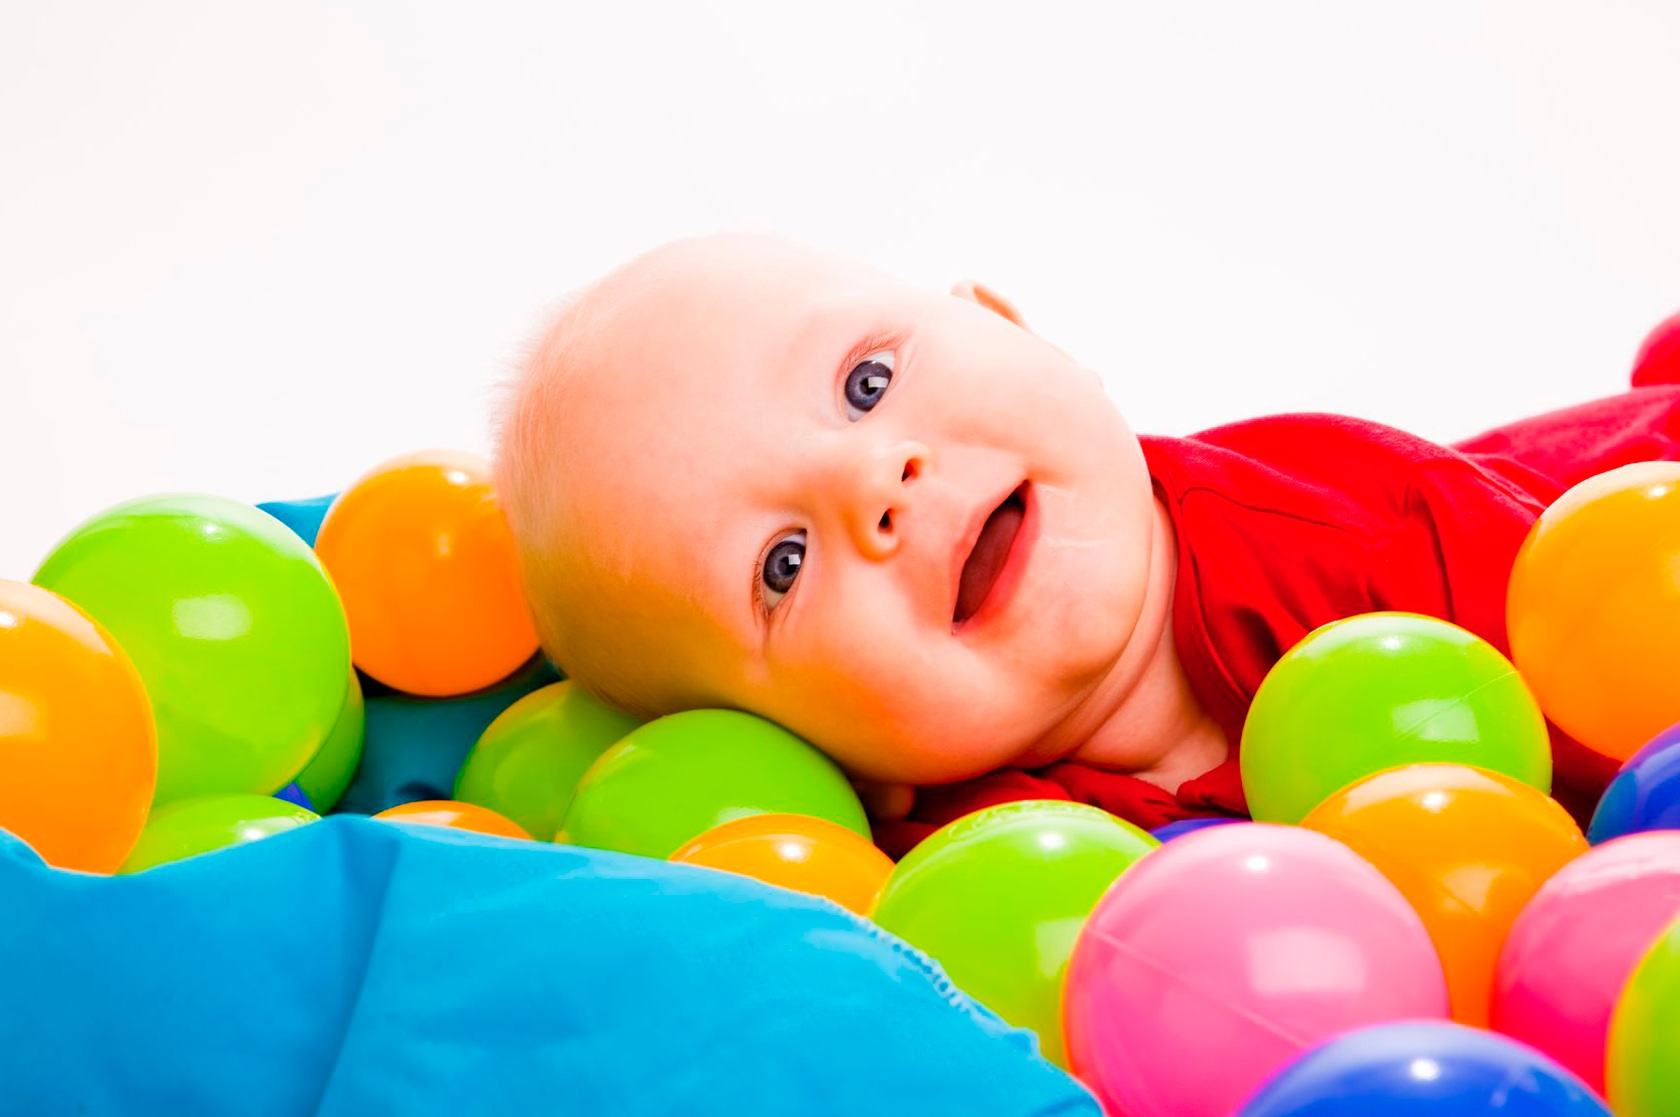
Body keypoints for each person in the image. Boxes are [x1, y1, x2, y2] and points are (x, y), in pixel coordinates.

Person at [493, 232, 1680, 855]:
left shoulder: (1350, 527)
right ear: (827, 758)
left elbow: (1623, 689)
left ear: (1011, 328)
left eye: (866, 381)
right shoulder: (966, 865)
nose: (876, 485)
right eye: (781, 566)